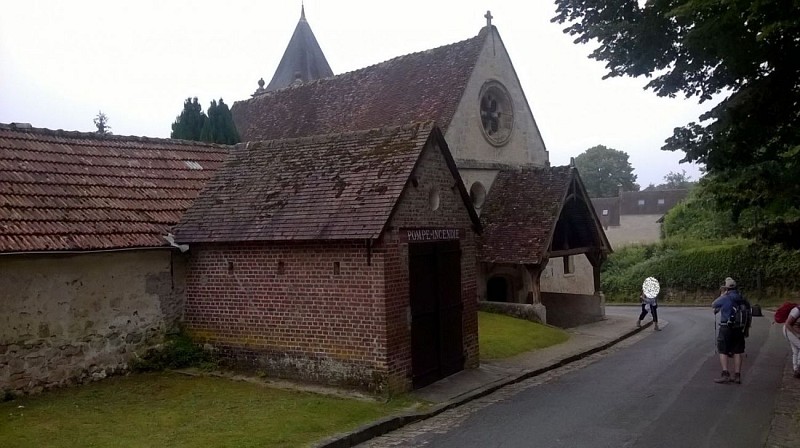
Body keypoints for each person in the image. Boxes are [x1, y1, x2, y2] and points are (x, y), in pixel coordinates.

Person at [711, 277, 751, 384]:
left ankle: (725, 374)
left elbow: (714, 305)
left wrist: (722, 295)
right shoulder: (741, 297)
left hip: (726, 327)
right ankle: (737, 375)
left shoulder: (725, 297)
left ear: (726, 288)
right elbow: (748, 310)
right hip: (739, 327)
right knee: (738, 351)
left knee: (723, 350)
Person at [783, 303, 800, 379]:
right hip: (789, 331)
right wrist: (796, 335)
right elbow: (787, 324)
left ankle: (796, 369)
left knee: (796, 350)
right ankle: (798, 368)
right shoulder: (797, 311)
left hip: (795, 331)